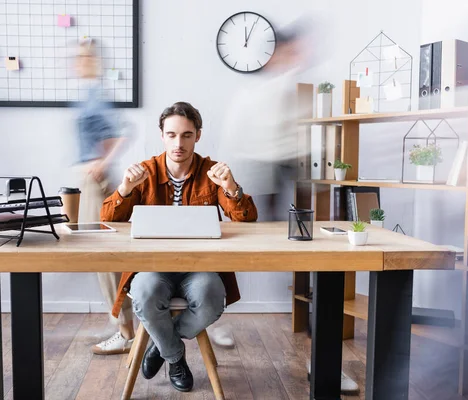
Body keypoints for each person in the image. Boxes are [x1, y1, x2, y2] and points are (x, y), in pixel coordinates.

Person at [219, 19, 359, 393]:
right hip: (259, 173)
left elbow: (313, 135)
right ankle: (214, 314)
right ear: (279, 51)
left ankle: (324, 360)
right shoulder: (259, 92)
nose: (301, 56)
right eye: (295, 50)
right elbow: (241, 138)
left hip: (294, 172)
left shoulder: (303, 88)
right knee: (237, 244)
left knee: (315, 258)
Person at [101, 101, 258, 392]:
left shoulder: (211, 172)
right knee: (145, 294)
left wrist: (231, 188)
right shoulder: (145, 171)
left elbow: (246, 219)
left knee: (211, 297)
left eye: (187, 135)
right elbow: (109, 219)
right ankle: (174, 357)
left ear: (198, 135)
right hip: (152, 266)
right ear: (162, 135)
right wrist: (125, 188)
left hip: (199, 267)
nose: (179, 143)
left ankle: (161, 347)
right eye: (172, 135)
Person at [73, 38, 135, 355]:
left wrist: (104, 163)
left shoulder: (97, 95)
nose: (76, 61)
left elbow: (124, 131)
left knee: (104, 258)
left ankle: (126, 332)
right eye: (76, 56)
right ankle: (124, 328)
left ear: (94, 60)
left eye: (83, 56)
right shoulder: (87, 94)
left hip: (97, 182)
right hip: (89, 180)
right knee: (100, 257)